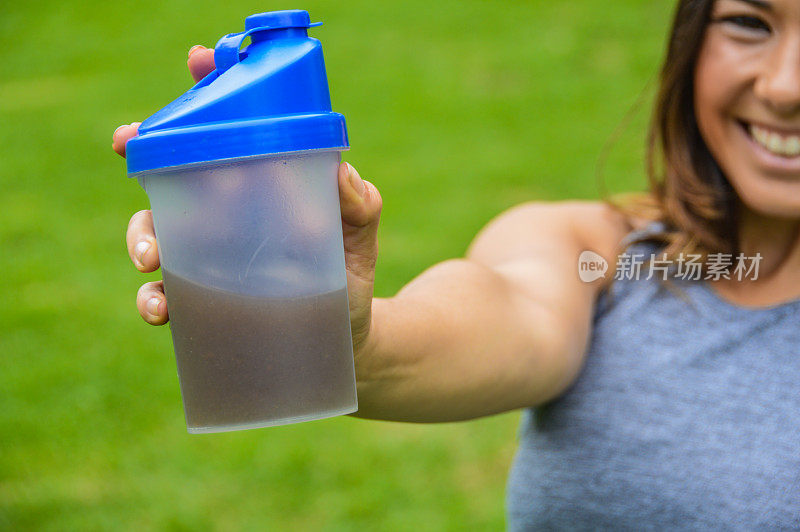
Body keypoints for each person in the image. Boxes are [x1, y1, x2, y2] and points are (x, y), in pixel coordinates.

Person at [113, 0, 800, 528]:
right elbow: (499, 317)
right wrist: (335, 327)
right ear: (690, 42)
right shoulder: (601, 255)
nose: (785, 85)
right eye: (747, 22)